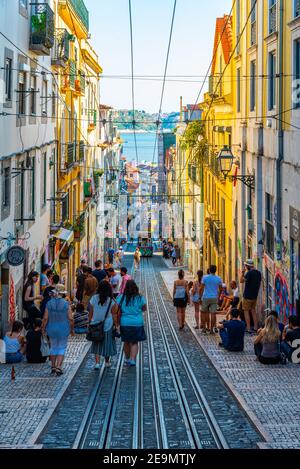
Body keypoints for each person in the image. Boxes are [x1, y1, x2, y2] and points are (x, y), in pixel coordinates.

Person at [112, 280, 147, 366]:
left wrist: (116, 323)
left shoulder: (121, 297)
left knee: (126, 342)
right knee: (134, 342)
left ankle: (127, 359)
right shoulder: (140, 297)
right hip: (137, 322)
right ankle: (132, 359)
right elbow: (144, 308)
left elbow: (115, 309)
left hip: (125, 323)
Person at [42, 290, 74, 376]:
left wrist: (43, 328)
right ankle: (59, 367)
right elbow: (71, 318)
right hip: (63, 328)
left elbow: (45, 318)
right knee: (61, 347)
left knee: (53, 346)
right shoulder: (66, 304)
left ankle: (53, 366)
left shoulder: (49, 303)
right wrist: (72, 329)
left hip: (51, 328)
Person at [89, 280, 117, 369]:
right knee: (107, 343)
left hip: (95, 324)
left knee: (97, 342)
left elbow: (91, 312)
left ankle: (97, 363)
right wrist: (116, 325)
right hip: (107, 325)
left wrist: (88, 322)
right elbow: (114, 314)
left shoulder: (94, 298)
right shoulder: (111, 300)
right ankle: (107, 362)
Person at [199, 265, 223, 334]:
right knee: (213, 313)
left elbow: (201, 288)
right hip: (214, 297)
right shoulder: (218, 278)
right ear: (216, 270)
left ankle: (204, 329)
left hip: (206, 297)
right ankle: (211, 330)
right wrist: (218, 296)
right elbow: (221, 289)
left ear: (209, 270)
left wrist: (200, 297)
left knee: (203, 312)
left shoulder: (205, 278)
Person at [240, 259, 262, 333]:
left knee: (246, 312)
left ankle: (248, 328)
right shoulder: (258, 273)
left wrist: (242, 273)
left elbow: (241, 281)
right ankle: (255, 327)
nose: (245, 267)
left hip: (247, 296)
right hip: (254, 296)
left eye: (246, 266)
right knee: (253, 311)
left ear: (248, 266)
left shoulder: (249, 273)